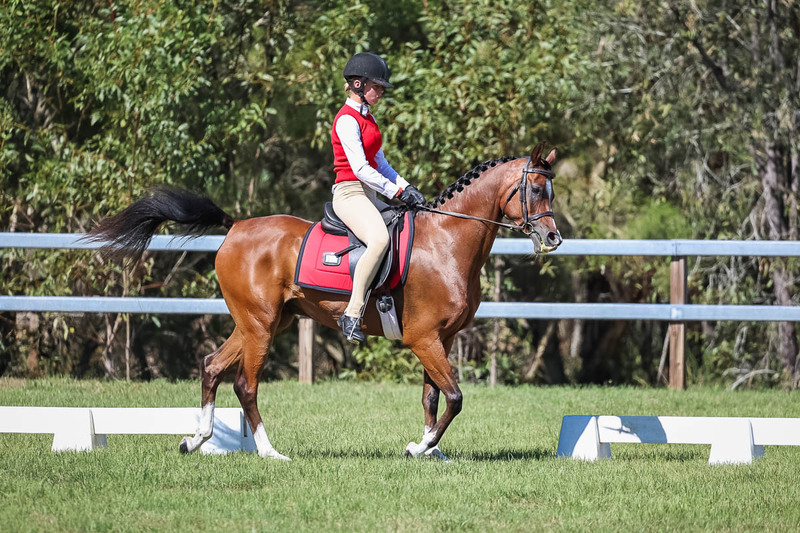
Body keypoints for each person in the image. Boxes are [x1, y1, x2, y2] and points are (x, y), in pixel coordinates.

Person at [331, 52, 425, 343]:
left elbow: (380, 164)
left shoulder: (367, 119)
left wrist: (408, 188)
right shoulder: (347, 121)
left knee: (409, 227)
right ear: (358, 85)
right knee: (380, 239)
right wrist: (396, 192)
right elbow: (359, 168)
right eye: (377, 86)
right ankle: (352, 312)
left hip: (369, 193)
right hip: (349, 193)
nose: (381, 91)